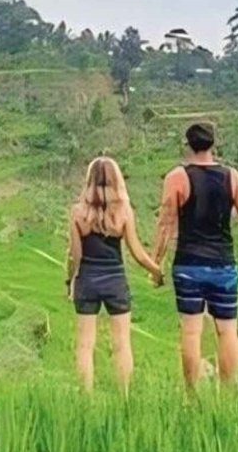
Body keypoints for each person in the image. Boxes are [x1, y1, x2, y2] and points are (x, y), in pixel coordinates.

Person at [152, 122, 238, 389]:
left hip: (188, 266)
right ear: (213, 145)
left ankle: (191, 396)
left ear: (187, 145)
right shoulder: (231, 177)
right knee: (227, 330)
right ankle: (229, 396)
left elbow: (165, 224)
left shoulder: (177, 177)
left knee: (191, 331)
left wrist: (155, 263)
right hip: (223, 267)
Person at [64, 156, 163, 392]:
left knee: (85, 346)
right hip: (115, 282)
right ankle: (124, 396)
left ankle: (85, 399)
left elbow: (74, 255)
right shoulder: (123, 212)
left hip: (87, 281)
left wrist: (70, 281)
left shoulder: (78, 213)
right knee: (121, 344)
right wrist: (157, 272)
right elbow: (137, 252)